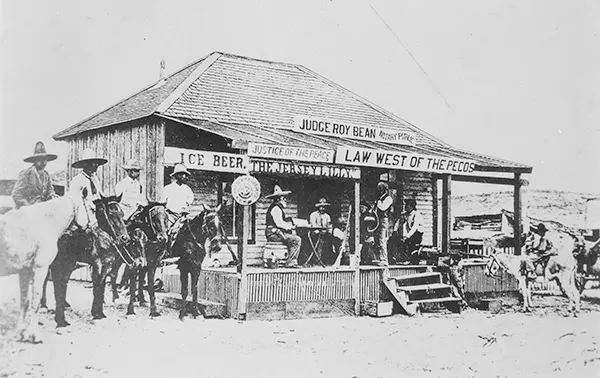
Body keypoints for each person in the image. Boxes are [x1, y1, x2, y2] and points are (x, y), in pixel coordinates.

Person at [12, 141, 58, 209]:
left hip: (40, 210)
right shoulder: (26, 173)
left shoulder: (46, 175)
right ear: (35, 160)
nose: (43, 162)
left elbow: (50, 192)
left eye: (45, 159)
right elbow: (16, 194)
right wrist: (28, 206)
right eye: (40, 159)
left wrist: (54, 198)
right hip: (26, 211)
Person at [68, 148, 107, 227]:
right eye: (93, 163)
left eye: (97, 163)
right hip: (84, 217)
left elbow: (100, 195)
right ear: (86, 165)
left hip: (97, 216)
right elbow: (74, 202)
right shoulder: (77, 180)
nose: (96, 165)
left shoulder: (95, 179)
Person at [265, 185, 301, 268]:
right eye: (283, 198)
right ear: (279, 199)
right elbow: (279, 223)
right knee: (296, 239)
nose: (285, 200)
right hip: (274, 234)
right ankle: (291, 262)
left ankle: (288, 260)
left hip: (276, 232)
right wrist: (290, 227)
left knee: (293, 237)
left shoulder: (277, 208)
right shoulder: (276, 208)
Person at [162, 163, 195, 238]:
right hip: (170, 217)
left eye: (186, 175)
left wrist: (185, 206)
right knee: (168, 235)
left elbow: (190, 199)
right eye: (183, 175)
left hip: (183, 217)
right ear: (178, 175)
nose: (185, 177)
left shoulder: (187, 189)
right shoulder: (168, 188)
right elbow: (163, 202)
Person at [373, 181, 394, 266]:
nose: (380, 192)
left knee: (382, 239)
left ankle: (384, 259)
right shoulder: (379, 199)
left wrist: (377, 202)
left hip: (383, 220)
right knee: (376, 239)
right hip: (377, 220)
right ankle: (378, 258)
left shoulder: (388, 198)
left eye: (381, 190)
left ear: (385, 190)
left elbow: (382, 207)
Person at [309, 197, 333, 264]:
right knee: (317, 243)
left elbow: (329, 225)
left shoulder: (327, 216)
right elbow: (313, 225)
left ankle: (325, 260)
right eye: (321, 207)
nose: (322, 209)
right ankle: (317, 260)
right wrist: (318, 231)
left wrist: (329, 232)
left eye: (324, 207)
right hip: (316, 233)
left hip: (324, 234)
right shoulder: (313, 215)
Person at [401, 198, 424, 264]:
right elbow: (399, 222)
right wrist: (395, 230)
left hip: (417, 234)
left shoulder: (417, 215)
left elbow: (414, 227)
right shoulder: (406, 214)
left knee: (407, 242)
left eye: (407, 205)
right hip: (410, 234)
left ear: (412, 206)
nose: (405, 207)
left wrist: (407, 236)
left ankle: (408, 259)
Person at [359, 200, 376, 265]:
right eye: (360, 208)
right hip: (363, 235)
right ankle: (364, 261)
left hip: (368, 235)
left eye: (363, 208)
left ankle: (369, 261)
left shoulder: (368, 216)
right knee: (364, 250)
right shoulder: (361, 216)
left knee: (368, 249)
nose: (361, 209)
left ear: (366, 208)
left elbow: (372, 224)